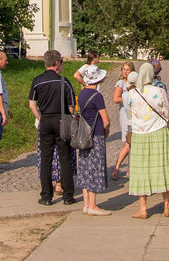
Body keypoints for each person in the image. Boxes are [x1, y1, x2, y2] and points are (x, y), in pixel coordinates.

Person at [125, 62, 169, 219]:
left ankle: (143, 209)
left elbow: (130, 115)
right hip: (159, 132)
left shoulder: (132, 94)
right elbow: (167, 112)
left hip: (140, 134)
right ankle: (167, 206)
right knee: (162, 167)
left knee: (141, 170)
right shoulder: (160, 91)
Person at [28, 49, 76, 205]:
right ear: (57, 63)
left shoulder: (37, 81)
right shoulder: (64, 82)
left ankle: (46, 196)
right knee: (65, 158)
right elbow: (71, 107)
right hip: (61, 120)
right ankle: (68, 196)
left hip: (46, 120)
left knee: (46, 158)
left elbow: (32, 104)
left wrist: (40, 118)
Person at [75, 64, 111, 215]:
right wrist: (106, 131)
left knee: (84, 167)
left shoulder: (82, 94)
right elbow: (106, 120)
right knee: (95, 168)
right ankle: (93, 205)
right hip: (96, 134)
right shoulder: (97, 96)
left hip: (83, 134)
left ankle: (85, 204)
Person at [110, 61, 135, 180]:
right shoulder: (120, 83)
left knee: (132, 142)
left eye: (127, 70)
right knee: (128, 142)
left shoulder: (133, 83)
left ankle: (130, 168)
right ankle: (117, 167)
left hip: (133, 114)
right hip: (125, 114)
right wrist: (128, 98)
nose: (125, 72)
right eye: (124, 69)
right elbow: (115, 98)